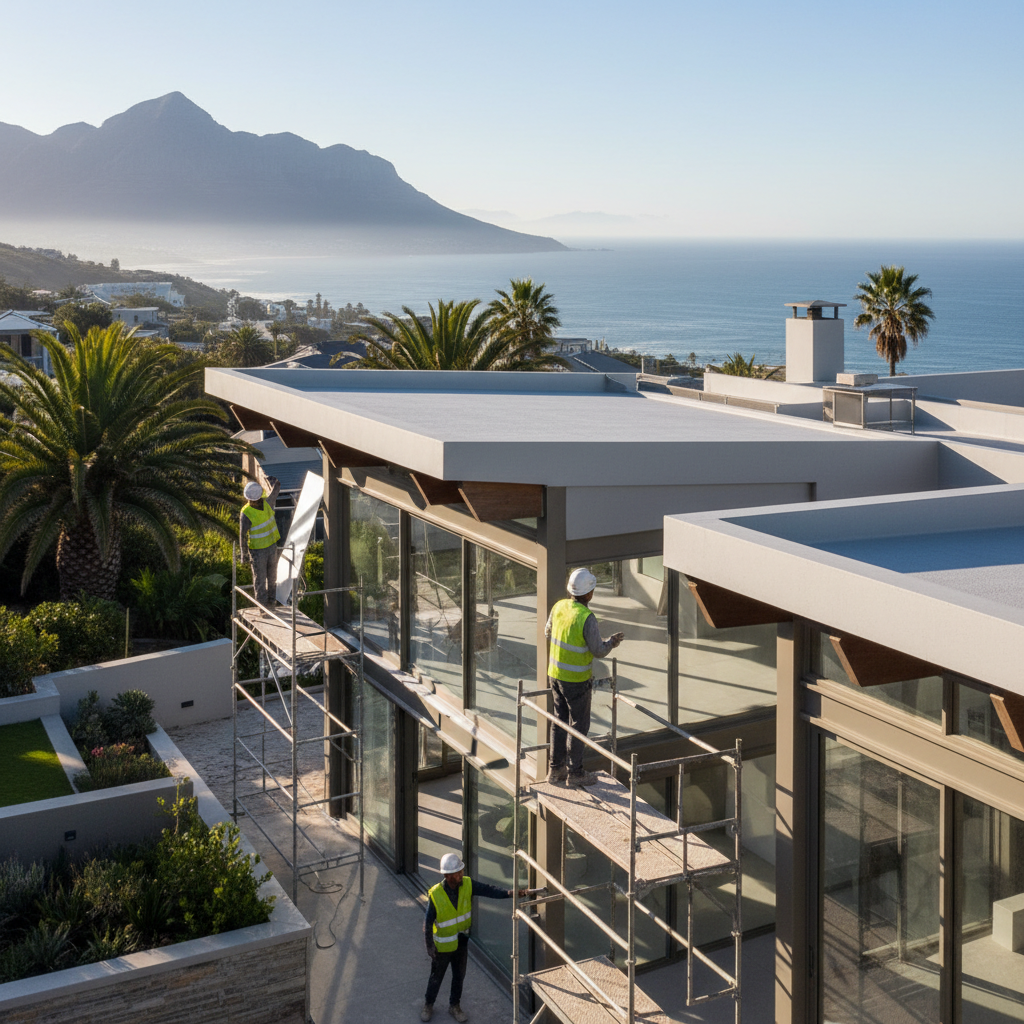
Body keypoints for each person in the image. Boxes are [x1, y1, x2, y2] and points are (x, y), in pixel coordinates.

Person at [422, 851, 526, 1022]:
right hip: (443, 946)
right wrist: (430, 947)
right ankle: (428, 1004)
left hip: (461, 942)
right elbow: (427, 924)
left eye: (461, 871)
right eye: (457, 872)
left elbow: (489, 890)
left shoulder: (468, 884)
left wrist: (510, 893)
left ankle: (454, 1006)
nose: (461, 874)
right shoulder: (436, 895)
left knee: (459, 976)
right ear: (448, 876)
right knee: (436, 977)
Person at [545, 567, 624, 788]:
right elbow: (598, 650)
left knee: (559, 722)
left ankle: (555, 770)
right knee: (579, 725)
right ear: (589, 593)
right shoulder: (586, 617)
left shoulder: (559, 606)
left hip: (555, 675)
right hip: (576, 680)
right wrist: (612, 642)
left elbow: (548, 632)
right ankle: (575, 773)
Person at [239, 477, 281, 607]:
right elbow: (277, 488)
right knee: (267, 580)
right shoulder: (266, 503)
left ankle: (267, 605)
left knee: (265, 580)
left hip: (264, 550)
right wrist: (273, 480)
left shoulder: (248, 511)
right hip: (264, 549)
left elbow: (242, 536)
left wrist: (243, 555)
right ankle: (266, 606)